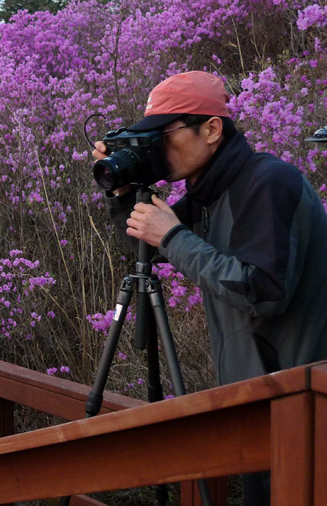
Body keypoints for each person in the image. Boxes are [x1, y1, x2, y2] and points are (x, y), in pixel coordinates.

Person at [92, 71, 327, 505]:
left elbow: (265, 292)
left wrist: (174, 236)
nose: (157, 148)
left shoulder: (267, 182)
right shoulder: (210, 193)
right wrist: (124, 194)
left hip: (301, 405)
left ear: (212, 129)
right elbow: (148, 243)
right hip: (257, 400)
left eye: (164, 135)